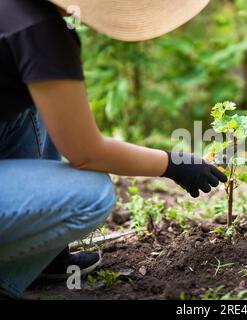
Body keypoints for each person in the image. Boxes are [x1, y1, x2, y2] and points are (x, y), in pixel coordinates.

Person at [0, 0, 226, 299]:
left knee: (35, 105)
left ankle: (43, 255)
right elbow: (86, 152)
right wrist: (173, 164)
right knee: (91, 194)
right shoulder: (40, 30)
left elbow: (65, 125)